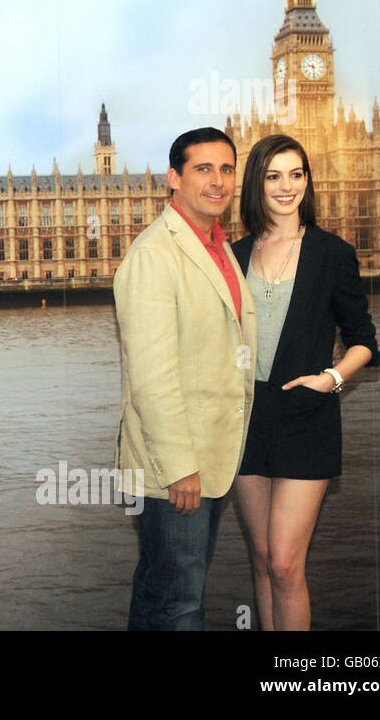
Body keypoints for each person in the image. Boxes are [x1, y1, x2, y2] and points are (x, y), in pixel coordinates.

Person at [229, 133, 380, 631]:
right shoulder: (235, 255)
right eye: (274, 175)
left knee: (285, 564)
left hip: (306, 418)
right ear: (257, 183)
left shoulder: (331, 253)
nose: (286, 186)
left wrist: (331, 379)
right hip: (246, 420)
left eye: (297, 174)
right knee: (260, 559)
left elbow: (364, 340)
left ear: (308, 181)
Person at [114, 127, 257, 630]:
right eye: (203, 169)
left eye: (226, 169)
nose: (217, 181)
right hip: (174, 469)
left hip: (210, 456)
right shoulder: (155, 255)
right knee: (181, 603)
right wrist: (180, 468)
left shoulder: (221, 248)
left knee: (161, 591)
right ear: (173, 179)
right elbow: (151, 377)